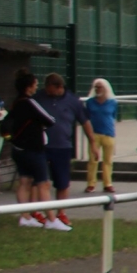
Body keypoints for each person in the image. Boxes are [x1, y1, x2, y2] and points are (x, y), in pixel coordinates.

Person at [1, 70, 58, 229]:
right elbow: (50, 120)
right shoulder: (29, 103)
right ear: (29, 86)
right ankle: (52, 219)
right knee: (43, 184)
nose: (37, 87)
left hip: (18, 149)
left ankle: (25, 217)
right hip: (34, 149)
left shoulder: (15, 103)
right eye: (35, 84)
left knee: (24, 182)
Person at [37, 73, 91, 225]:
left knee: (62, 182)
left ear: (59, 87)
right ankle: (40, 213)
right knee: (40, 182)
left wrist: (92, 142)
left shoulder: (73, 100)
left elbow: (85, 121)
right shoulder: (38, 97)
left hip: (62, 147)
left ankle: (61, 213)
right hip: (41, 146)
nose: (47, 91)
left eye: (49, 88)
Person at [80, 78, 120, 194]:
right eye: (96, 87)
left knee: (108, 160)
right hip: (95, 134)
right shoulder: (90, 102)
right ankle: (91, 184)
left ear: (105, 88)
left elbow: (113, 115)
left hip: (108, 133)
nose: (97, 89)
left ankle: (107, 183)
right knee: (93, 160)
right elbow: (87, 117)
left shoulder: (112, 102)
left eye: (100, 87)